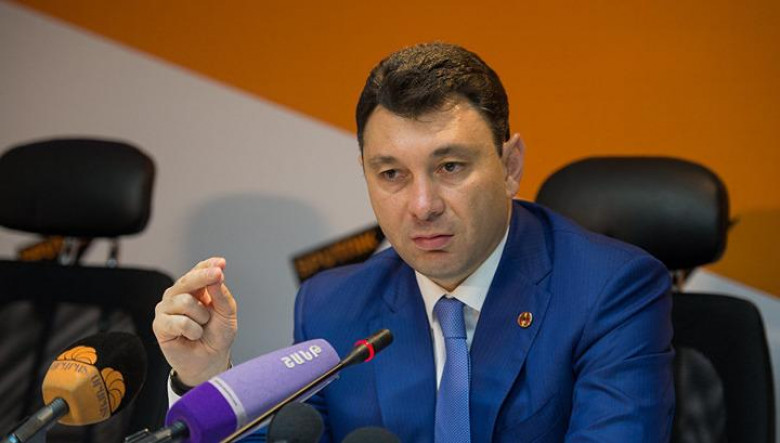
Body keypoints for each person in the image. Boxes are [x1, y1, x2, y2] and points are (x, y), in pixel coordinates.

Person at [153, 42, 674, 442]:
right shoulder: (332, 305)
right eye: (392, 174)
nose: (422, 205)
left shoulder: (611, 289)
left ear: (510, 166)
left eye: (450, 167)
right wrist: (205, 379)